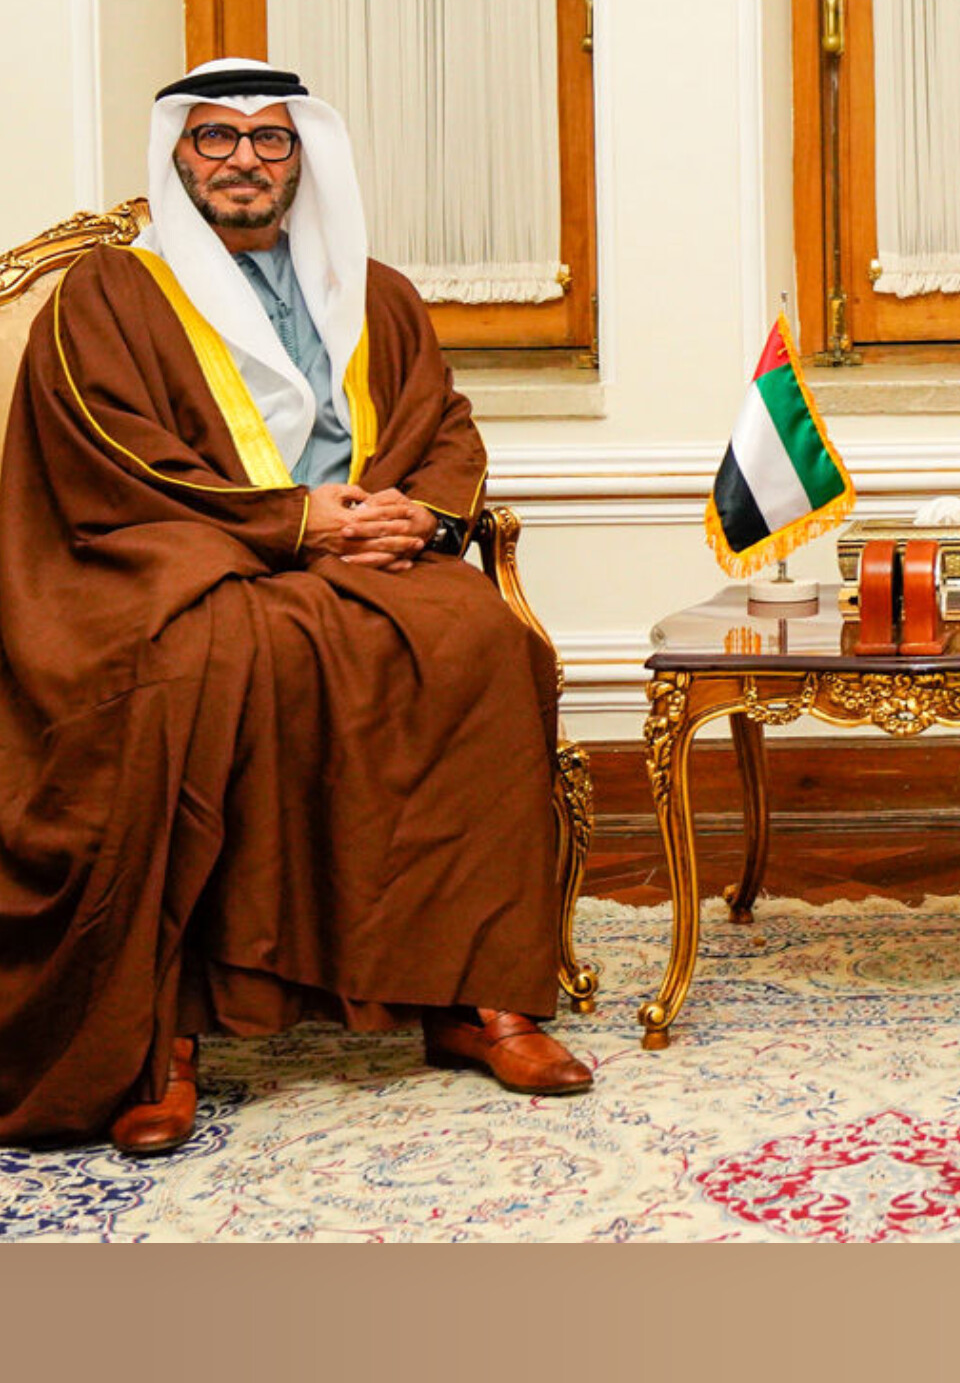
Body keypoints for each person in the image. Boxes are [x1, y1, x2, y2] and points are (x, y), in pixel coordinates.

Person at [0, 58, 591, 1155]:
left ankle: (474, 999)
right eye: (217, 138)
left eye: (270, 139)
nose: (244, 160)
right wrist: (292, 524)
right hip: (193, 552)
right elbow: (113, 454)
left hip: (364, 553)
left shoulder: (374, 291)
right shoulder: (110, 293)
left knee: (481, 641)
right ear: (180, 156)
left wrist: (416, 513)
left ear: (301, 156)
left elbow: (442, 422)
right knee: (214, 663)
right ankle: (165, 1038)